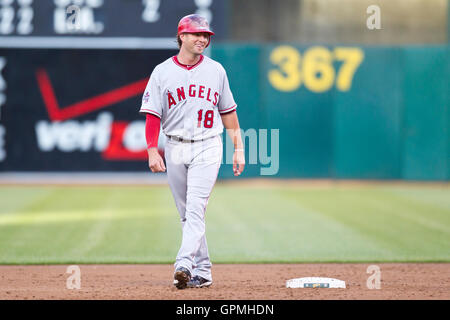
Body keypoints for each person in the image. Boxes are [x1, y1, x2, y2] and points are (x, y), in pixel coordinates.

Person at [140, 14, 245, 289]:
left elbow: (228, 113)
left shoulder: (216, 70)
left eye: (206, 35)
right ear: (182, 37)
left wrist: (239, 148)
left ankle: (183, 263)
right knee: (187, 213)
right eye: (197, 34)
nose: (203, 39)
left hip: (208, 145)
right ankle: (204, 271)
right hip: (174, 146)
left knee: (196, 208)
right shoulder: (162, 72)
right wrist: (153, 150)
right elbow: (152, 116)